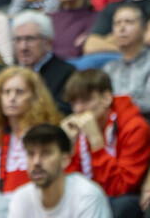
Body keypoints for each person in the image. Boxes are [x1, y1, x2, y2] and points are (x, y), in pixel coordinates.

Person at [60, 70, 149, 213]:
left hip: (120, 201)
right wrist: (67, 148)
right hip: (87, 199)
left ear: (107, 98)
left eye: (86, 100)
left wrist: (96, 142)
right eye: (74, 103)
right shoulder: (78, 129)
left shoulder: (134, 127)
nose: (78, 109)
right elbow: (67, 187)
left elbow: (121, 187)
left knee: (123, 205)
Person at [0, 67, 63, 195]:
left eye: (19, 92)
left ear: (34, 97)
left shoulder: (46, 132)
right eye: (6, 92)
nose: (12, 98)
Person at [6, 124, 112, 218]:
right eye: (31, 154)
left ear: (65, 160)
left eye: (45, 153)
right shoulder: (21, 198)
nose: (36, 162)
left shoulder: (87, 196)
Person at [10, 11, 76, 114]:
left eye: (30, 39)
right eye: (18, 40)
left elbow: (62, 112)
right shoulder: (9, 73)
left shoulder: (66, 73)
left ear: (48, 42)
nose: (23, 47)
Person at [101, 4, 150, 113]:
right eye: (117, 23)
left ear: (144, 28)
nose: (122, 28)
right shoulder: (109, 69)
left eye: (129, 22)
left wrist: (115, 103)